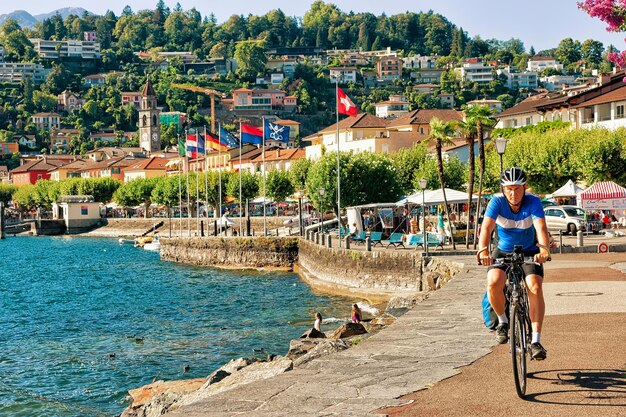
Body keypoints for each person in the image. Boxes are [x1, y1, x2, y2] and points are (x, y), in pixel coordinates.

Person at [476, 167, 550, 361]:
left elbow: (541, 227)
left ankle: (535, 341)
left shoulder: (533, 201)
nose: (513, 193)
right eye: (509, 188)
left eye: (517, 188)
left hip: (529, 251)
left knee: (534, 285)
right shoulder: (496, 202)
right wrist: (483, 251)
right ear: (503, 189)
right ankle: (503, 322)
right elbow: (486, 228)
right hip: (502, 251)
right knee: (493, 282)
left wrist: (544, 249)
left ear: (524, 188)